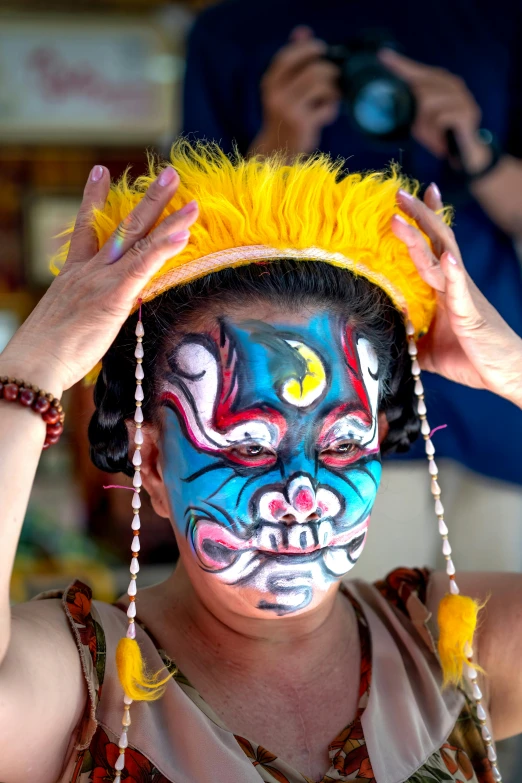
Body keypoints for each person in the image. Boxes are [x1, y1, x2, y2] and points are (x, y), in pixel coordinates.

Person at [1, 142, 522, 783]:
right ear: (155, 465)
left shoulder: (448, 645)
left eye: (341, 445)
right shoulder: (80, 680)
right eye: (248, 447)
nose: (302, 492)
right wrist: (30, 373)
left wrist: (515, 369)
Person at [182, 0, 522, 494]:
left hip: (485, 388)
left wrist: (474, 148)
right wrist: (278, 141)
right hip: (313, 411)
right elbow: (196, 237)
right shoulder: (228, 27)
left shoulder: (498, 20)